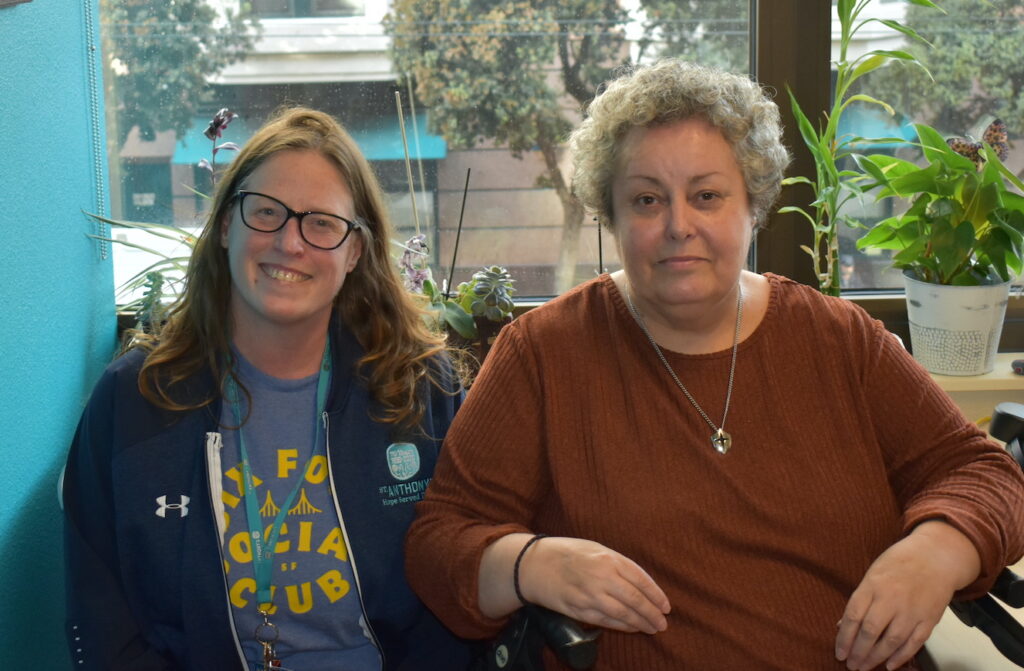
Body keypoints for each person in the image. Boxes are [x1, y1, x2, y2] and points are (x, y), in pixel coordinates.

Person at [404, 60, 1024, 670]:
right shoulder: (541, 354)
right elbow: (439, 542)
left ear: (752, 206)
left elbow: (986, 474)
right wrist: (526, 563)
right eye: (647, 200)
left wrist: (936, 552)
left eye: (707, 195)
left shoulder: (841, 340)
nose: (679, 226)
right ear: (611, 216)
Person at [63, 107, 473, 670]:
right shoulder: (136, 398)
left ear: (356, 251)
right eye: (266, 213)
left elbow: (460, 585)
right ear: (227, 225)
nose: (290, 243)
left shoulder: (422, 388)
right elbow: (101, 614)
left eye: (322, 223)